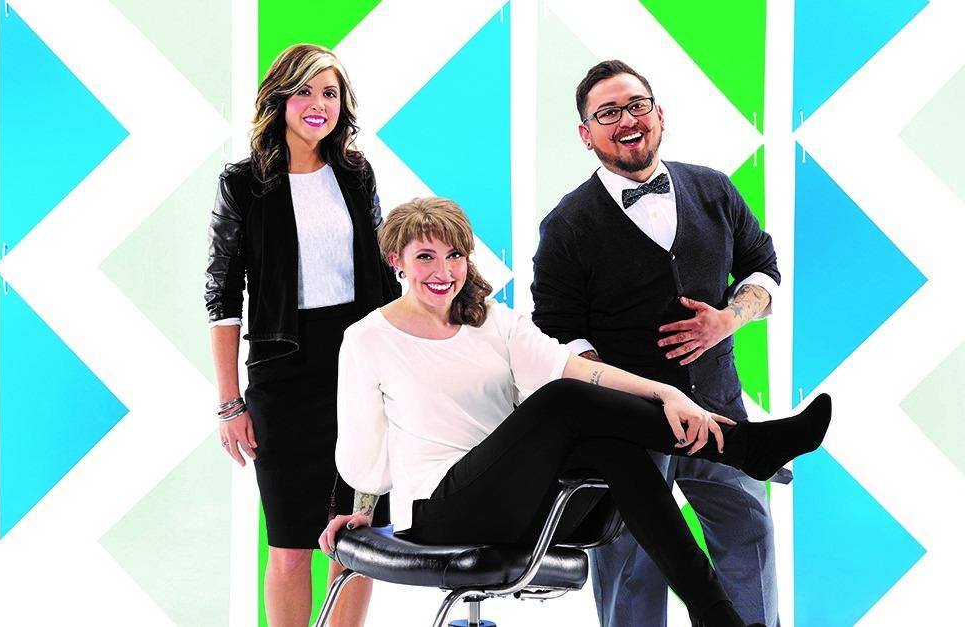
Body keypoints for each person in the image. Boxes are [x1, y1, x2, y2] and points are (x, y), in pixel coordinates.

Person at [320, 198, 830, 627]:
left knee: (609, 445)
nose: (443, 272)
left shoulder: (492, 320)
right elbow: (366, 458)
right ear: (397, 261)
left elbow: (578, 369)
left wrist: (668, 394)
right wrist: (361, 508)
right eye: (425, 257)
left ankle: (717, 616)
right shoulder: (368, 338)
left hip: (514, 504)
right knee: (561, 400)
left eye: (454, 255)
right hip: (438, 511)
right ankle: (744, 447)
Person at [531, 60, 784, 626]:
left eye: (637, 105)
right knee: (631, 560)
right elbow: (556, 331)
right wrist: (623, 393)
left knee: (749, 534)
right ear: (585, 134)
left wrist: (728, 319)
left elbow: (763, 270)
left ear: (659, 114)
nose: (627, 119)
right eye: (608, 113)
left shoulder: (714, 188)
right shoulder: (566, 224)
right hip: (630, 427)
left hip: (720, 409)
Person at [205, 44, 398, 627]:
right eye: (306, 91)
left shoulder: (356, 173)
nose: (319, 104)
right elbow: (222, 296)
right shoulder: (243, 183)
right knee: (290, 542)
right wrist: (229, 402)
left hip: (360, 364)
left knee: (356, 538)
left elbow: (384, 272)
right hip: (283, 371)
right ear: (280, 98)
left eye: (330, 93)